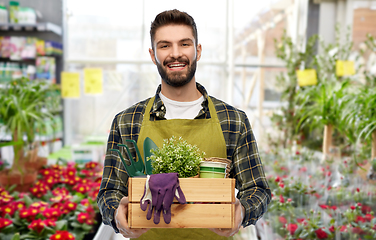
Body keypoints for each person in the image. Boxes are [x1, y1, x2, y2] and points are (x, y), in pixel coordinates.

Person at [97, 9, 271, 240]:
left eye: (185, 44)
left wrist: (242, 213)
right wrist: (117, 216)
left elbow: (257, 189)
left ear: (197, 51)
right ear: (153, 54)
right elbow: (109, 192)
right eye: (165, 45)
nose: (175, 54)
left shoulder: (232, 120)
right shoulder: (128, 121)